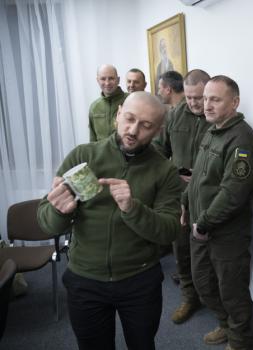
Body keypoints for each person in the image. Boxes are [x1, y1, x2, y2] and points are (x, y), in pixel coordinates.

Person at [37, 92, 182, 350]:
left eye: (146, 125)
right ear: (118, 115)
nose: (133, 130)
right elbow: (47, 223)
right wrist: (60, 211)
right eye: (129, 119)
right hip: (85, 279)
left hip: (140, 280)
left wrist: (132, 208)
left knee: (142, 345)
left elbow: (169, 231)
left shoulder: (165, 171)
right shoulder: (83, 155)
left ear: (159, 130)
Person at [187, 75, 253, 350]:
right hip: (200, 226)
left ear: (234, 102)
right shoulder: (211, 130)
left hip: (225, 232)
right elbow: (198, 178)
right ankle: (225, 325)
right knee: (203, 282)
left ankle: (241, 341)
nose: (206, 105)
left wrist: (203, 223)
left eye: (215, 99)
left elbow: (234, 193)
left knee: (232, 291)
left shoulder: (242, 139)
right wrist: (186, 202)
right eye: (205, 99)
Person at [152, 69, 212, 324]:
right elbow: (157, 150)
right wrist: (171, 173)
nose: (195, 103)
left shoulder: (216, 115)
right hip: (179, 197)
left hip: (208, 199)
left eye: (199, 97)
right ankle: (189, 298)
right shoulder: (174, 115)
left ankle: (215, 302)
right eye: (189, 97)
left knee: (211, 254)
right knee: (182, 252)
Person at [89, 64, 128, 142]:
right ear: (97, 80)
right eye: (103, 79)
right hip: (102, 153)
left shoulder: (130, 100)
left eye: (111, 78)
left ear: (118, 80)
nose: (107, 83)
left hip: (126, 153)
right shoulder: (94, 107)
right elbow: (93, 140)